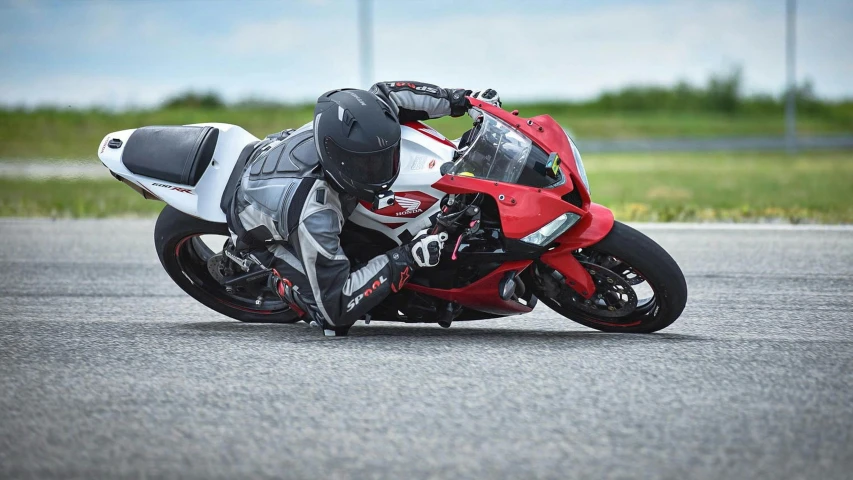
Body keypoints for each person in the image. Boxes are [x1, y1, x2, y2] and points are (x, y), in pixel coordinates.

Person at [225, 81, 501, 337]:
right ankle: (278, 282)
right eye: (370, 165)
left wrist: (464, 100)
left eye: (387, 158)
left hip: (278, 159)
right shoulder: (313, 212)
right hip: (260, 227)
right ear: (340, 162)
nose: (383, 169)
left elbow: (390, 94)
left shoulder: (355, 126)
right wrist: (408, 257)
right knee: (329, 316)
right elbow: (339, 306)